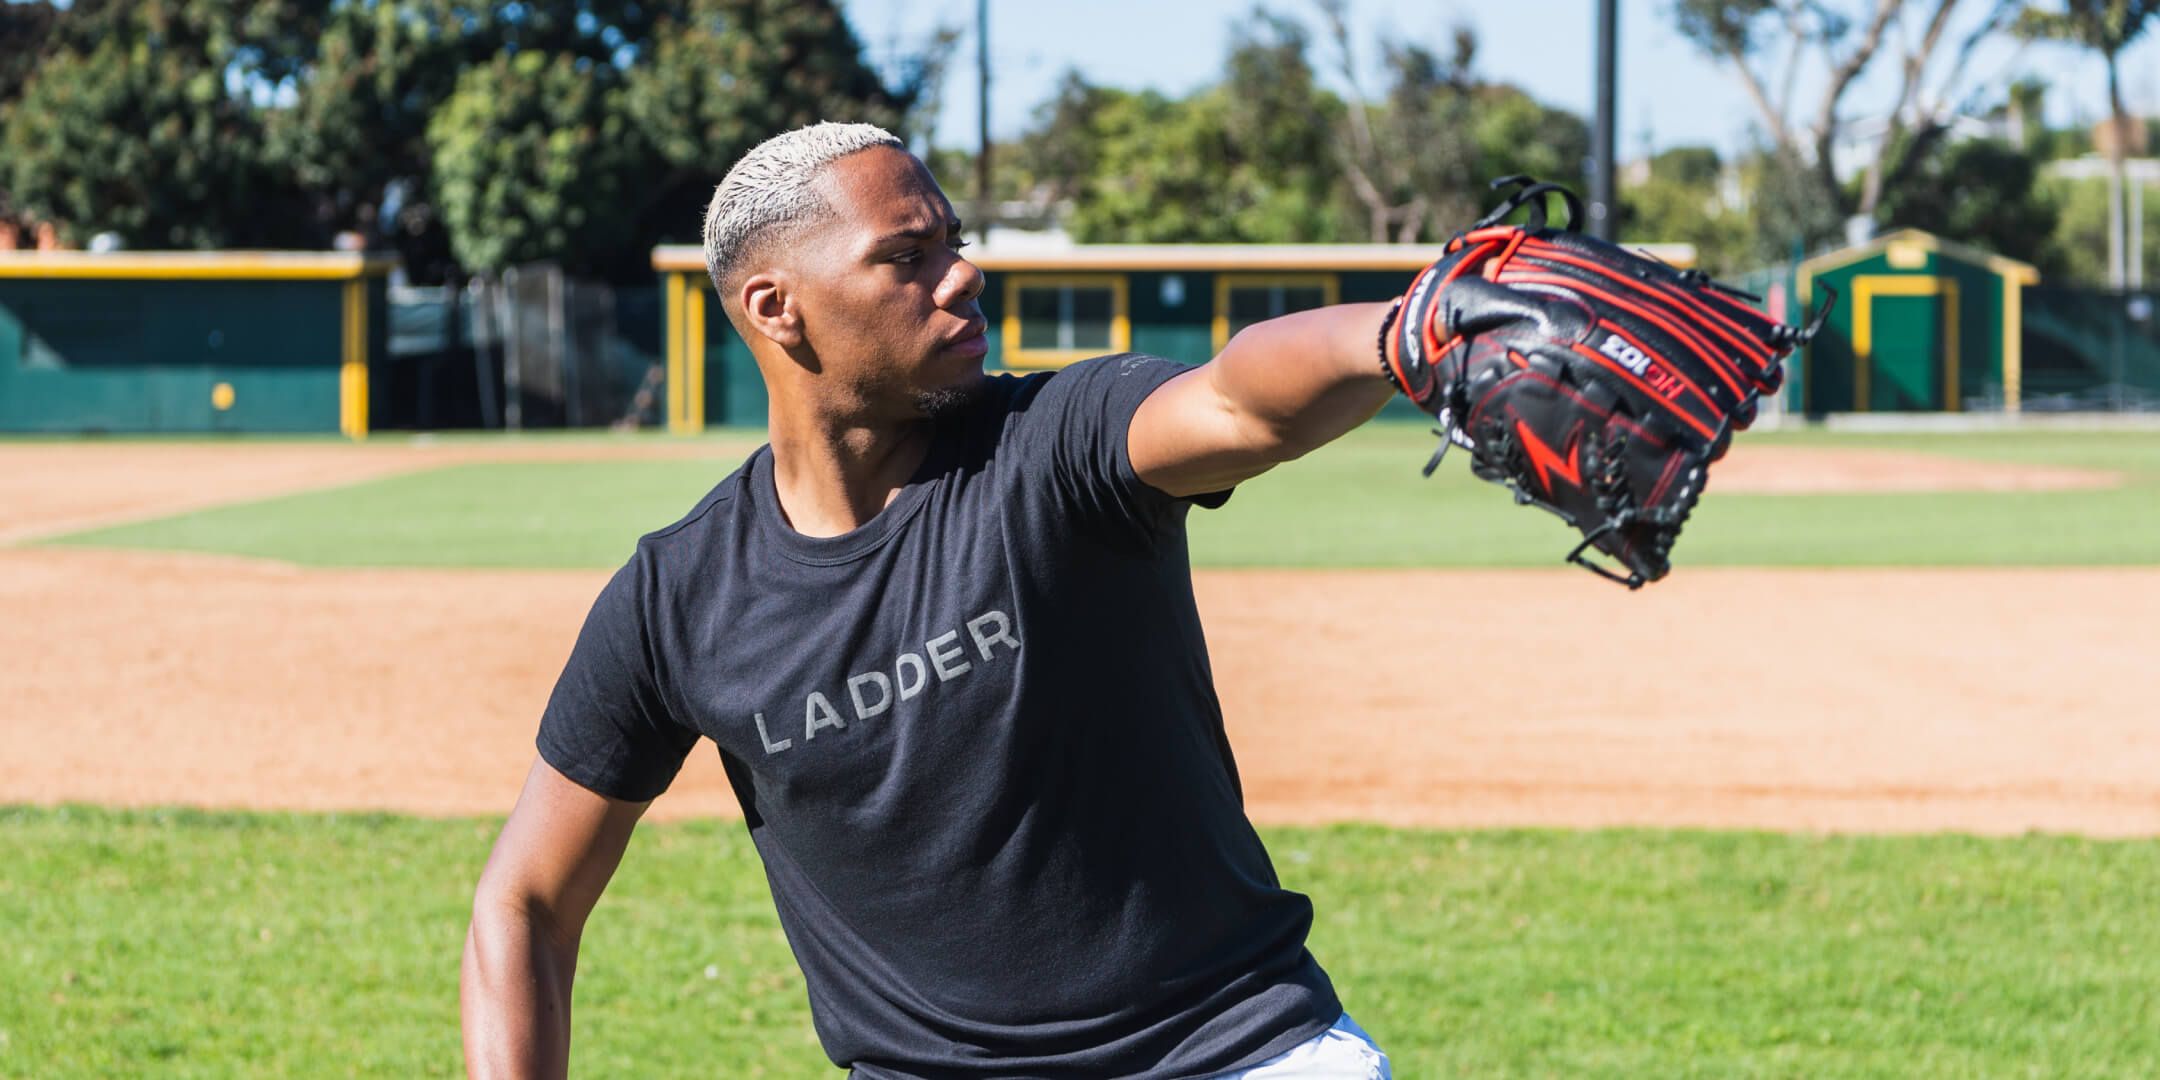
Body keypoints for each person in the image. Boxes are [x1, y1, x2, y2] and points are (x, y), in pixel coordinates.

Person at [460, 122, 1401, 1079]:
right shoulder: (679, 599)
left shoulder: (1053, 443)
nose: (961, 275)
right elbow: (525, 903)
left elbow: (1242, 401)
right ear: (776, 306)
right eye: (907, 256)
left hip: (1230, 1054)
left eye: (953, 242)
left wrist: (1409, 332)